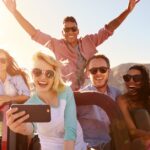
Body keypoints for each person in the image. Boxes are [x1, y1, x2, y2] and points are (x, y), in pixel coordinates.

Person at [3, 0, 140, 90]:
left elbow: (109, 29)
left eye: (73, 29)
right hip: (67, 93)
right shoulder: (56, 45)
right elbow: (33, 33)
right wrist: (15, 12)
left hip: (90, 90)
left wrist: (128, 10)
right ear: (62, 32)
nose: (70, 32)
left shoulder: (89, 41)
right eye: (66, 29)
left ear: (78, 30)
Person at [6, 51, 86, 150]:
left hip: (76, 145)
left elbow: (70, 128)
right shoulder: (31, 103)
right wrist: (22, 128)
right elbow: (31, 127)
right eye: (37, 72)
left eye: (49, 73)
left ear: (54, 77)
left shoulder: (65, 92)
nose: (43, 77)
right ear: (32, 75)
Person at [77, 54, 121, 149]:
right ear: (87, 74)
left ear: (109, 72)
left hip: (114, 145)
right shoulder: (79, 98)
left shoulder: (117, 94)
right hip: (90, 147)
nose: (98, 73)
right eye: (93, 71)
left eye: (103, 70)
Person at [0, 48, 30, 148]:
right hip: (1, 116)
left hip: (17, 113)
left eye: (2, 60)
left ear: (7, 63)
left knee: (17, 144)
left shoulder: (16, 77)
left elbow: (26, 95)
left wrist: (9, 98)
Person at [117, 65, 150, 149]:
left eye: (137, 78)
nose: (131, 81)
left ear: (143, 81)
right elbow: (132, 131)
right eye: (127, 78)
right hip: (138, 141)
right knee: (141, 114)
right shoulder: (123, 100)